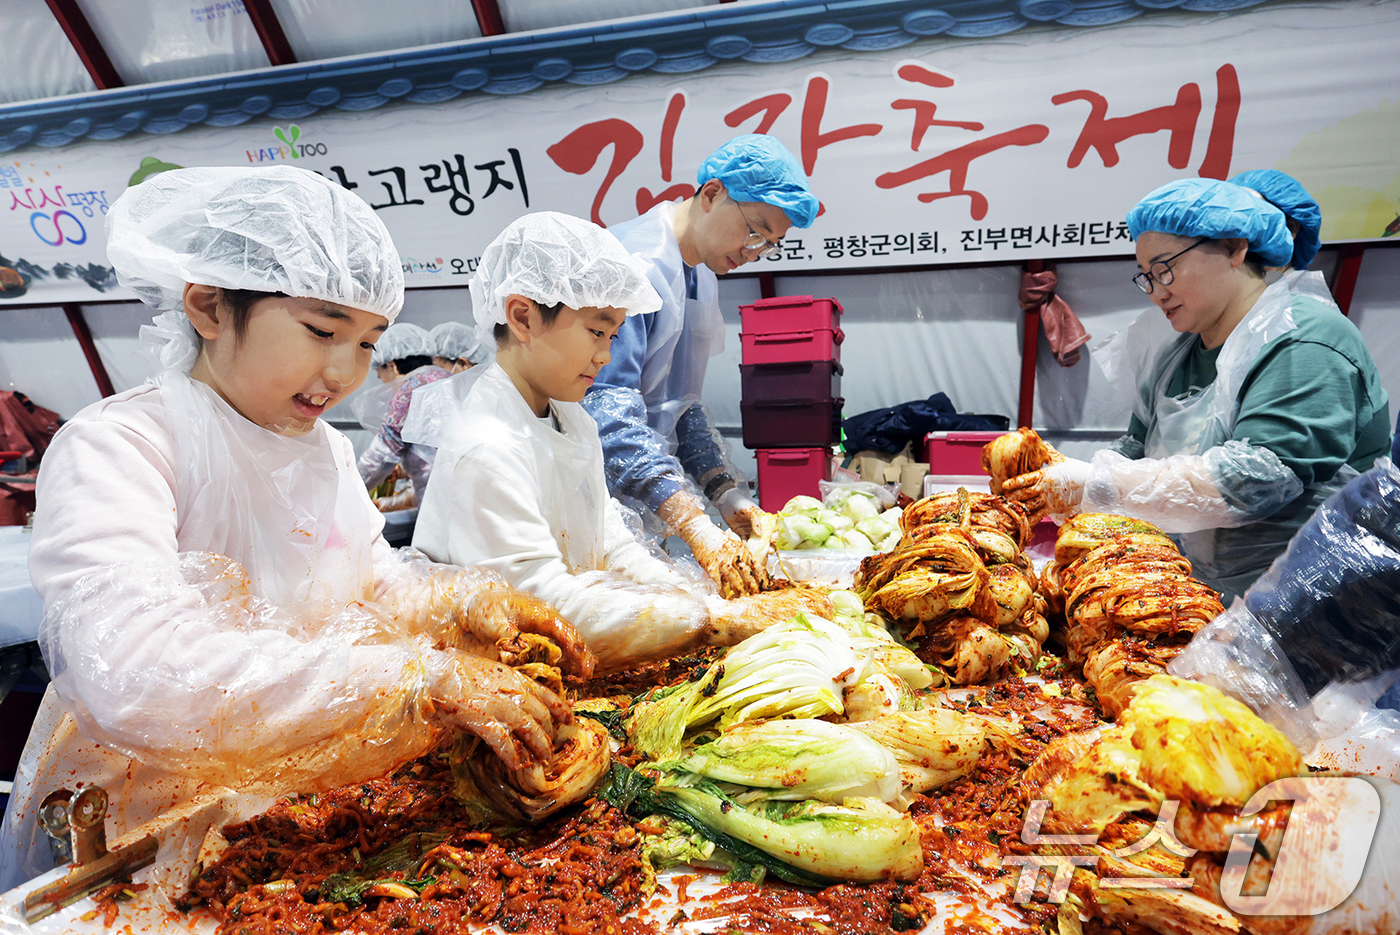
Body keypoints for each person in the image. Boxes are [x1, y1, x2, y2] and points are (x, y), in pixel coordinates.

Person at [0, 166, 589, 894]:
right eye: (321, 330)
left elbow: (371, 579)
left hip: (288, 811)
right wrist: (415, 678)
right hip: (135, 832)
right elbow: (141, 672)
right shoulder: (120, 445)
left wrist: (462, 602)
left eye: (369, 343)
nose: (344, 371)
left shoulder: (326, 450)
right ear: (210, 306)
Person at [413, 212, 830, 674]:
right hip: (495, 681)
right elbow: (539, 604)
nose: (607, 355)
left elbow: (611, 543)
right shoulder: (487, 444)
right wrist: (713, 618)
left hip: (566, 665)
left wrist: (683, 595)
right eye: (597, 330)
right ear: (522, 317)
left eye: (614, 335)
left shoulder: (573, 420)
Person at [1003, 177, 1390, 602]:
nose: (1156, 293)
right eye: (1146, 277)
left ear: (1234, 248)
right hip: (1197, 594)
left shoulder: (1304, 338)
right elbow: (1137, 448)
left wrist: (1098, 483)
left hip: (1305, 601)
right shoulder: (1176, 354)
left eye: (1165, 268)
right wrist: (1073, 479)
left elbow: (1257, 479)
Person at [581, 134, 819, 598]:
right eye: (755, 231)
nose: (753, 253)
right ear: (712, 194)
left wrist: (725, 492)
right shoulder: (635, 267)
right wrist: (692, 522)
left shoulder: (700, 276)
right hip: (590, 502)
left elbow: (679, 404)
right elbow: (607, 419)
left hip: (641, 501)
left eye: (769, 245)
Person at [356, 322, 450, 509]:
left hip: (442, 502)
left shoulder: (410, 390)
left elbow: (381, 455)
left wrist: (346, 492)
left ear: (391, 366)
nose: (382, 381)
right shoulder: (447, 379)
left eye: (379, 374)